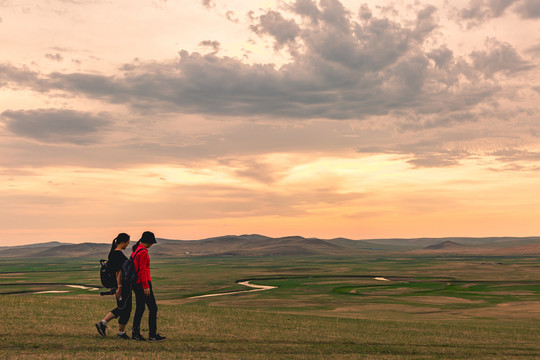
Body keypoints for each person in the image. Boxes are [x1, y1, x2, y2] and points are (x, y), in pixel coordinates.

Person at [95, 233, 132, 339]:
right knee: (123, 307)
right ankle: (103, 323)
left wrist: (114, 286)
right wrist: (119, 287)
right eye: (127, 243)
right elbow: (118, 272)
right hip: (122, 286)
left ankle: (121, 333)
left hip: (118, 285)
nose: (127, 245)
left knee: (125, 308)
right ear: (123, 242)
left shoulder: (112, 253)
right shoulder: (118, 254)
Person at [131, 231, 166, 341]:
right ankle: (152, 335)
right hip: (143, 283)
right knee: (153, 308)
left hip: (137, 283)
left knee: (140, 308)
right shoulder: (143, 252)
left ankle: (135, 333)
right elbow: (143, 270)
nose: (152, 245)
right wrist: (146, 286)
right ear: (149, 242)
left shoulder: (136, 251)